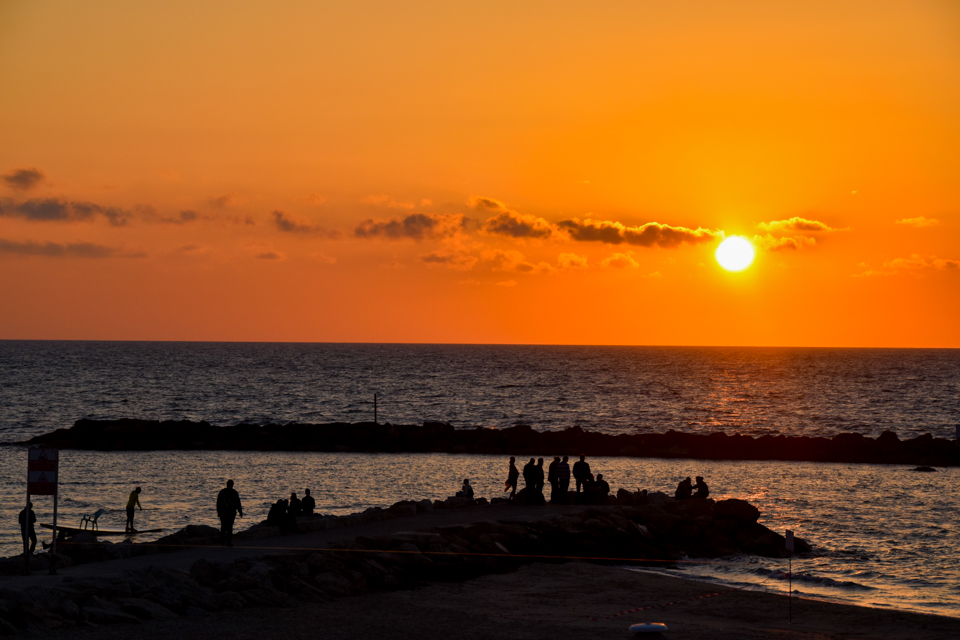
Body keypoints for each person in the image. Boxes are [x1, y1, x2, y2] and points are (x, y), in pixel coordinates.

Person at [216, 479, 243, 547]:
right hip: (230, 512)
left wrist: (219, 512)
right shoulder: (234, 492)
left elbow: (218, 503)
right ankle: (228, 542)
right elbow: (238, 503)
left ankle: (223, 541)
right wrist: (240, 511)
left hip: (224, 512)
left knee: (224, 527)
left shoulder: (222, 492)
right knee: (229, 527)